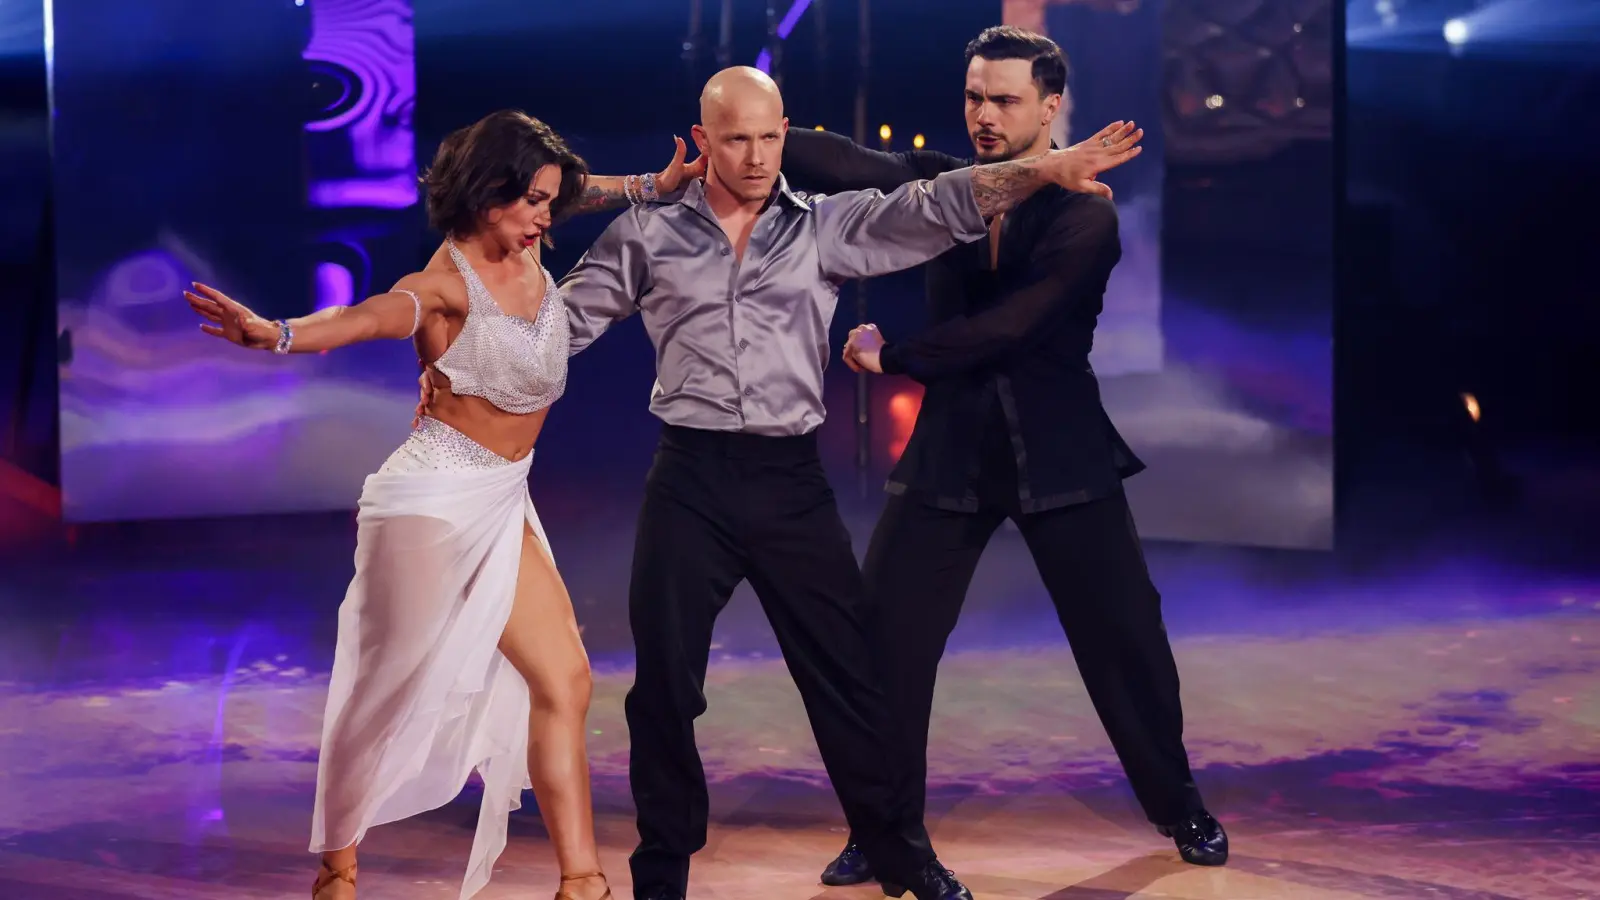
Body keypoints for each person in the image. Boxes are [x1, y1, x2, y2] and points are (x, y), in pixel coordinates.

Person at [528, 65, 1136, 900]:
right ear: (703, 141)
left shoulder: (824, 227)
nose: (756, 156)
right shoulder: (647, 234)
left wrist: (1046, 170)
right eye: (736, 139)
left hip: (789, 484)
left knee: (851, 681)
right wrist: (461, 349)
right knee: (665, 688)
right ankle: (661, 872)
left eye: (771, 137)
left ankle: (899, 853)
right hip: (691, 479)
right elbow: (559, 329)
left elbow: (936, 205)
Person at [183, 110, 700, 900]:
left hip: (500, 496)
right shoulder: (443, 287)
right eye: (528, 200)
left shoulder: (531, 229)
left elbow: (572, 193)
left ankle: (583, 883)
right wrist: (277, 335)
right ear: (486, 194)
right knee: (386, 689)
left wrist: (648, 187)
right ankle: (338, 865)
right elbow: (364, 318)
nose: (543, 216)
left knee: (564, 680)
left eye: (549, 200)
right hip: (429, 505)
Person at [778, 25, 1229, 884]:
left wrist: (893, 356)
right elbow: (843, 162)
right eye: (974, 97)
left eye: (1005, 100)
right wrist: (755, 124)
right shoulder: (944, 184)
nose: (984, 115)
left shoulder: (1086, 214)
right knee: (885, 647)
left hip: (1059, 451)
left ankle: (1181, 806)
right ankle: (881, 830)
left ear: (1051, 107)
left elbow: (1010, 329)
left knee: (1125, 639)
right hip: (951, 451)